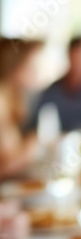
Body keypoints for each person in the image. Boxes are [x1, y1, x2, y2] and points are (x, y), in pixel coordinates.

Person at [28, 36, 81, 132]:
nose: (80, 64)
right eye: (76, 58)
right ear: (69, 56)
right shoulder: (50, 94)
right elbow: (34, 129)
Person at [0, 37, 42, 179]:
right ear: (14, 66)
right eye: (31, 65)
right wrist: (27, 151)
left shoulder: (12, 99)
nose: (37, 71)